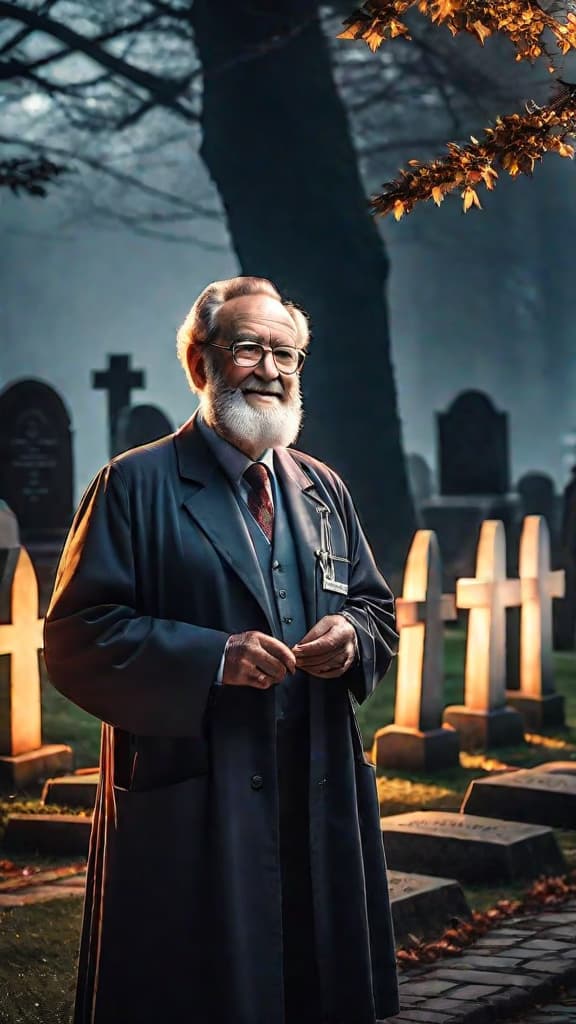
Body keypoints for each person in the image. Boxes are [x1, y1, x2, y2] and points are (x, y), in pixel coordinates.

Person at [44, 276, 400, 1024]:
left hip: (317, 783)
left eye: (287, 354)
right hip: (197, 800)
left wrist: (352, 638)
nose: (271, 369)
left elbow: (374, 609)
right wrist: (212, 657)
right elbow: (77, 639)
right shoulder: (132, 486)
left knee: (317, 989)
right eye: (249, 348)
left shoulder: (322, 488)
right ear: (200, 363)